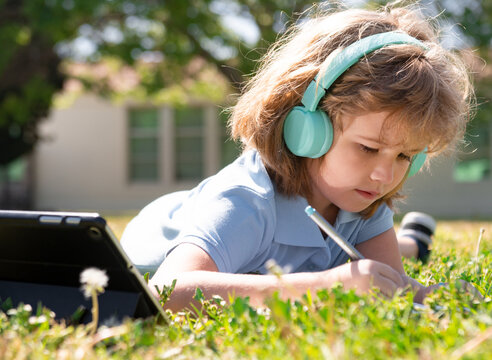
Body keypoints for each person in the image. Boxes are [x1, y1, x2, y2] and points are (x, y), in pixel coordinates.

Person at [121, 3, 472, 311]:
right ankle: (413, 242)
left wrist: (434, 295)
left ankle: (413, 243)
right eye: (368, 148)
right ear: (307, 128)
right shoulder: (245, 202)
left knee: (379, 256)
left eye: (405, 156)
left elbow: (388, 285)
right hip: (167, 223)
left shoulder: (363, 197)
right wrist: (323, 288)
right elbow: (166, 293)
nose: (384, 174)